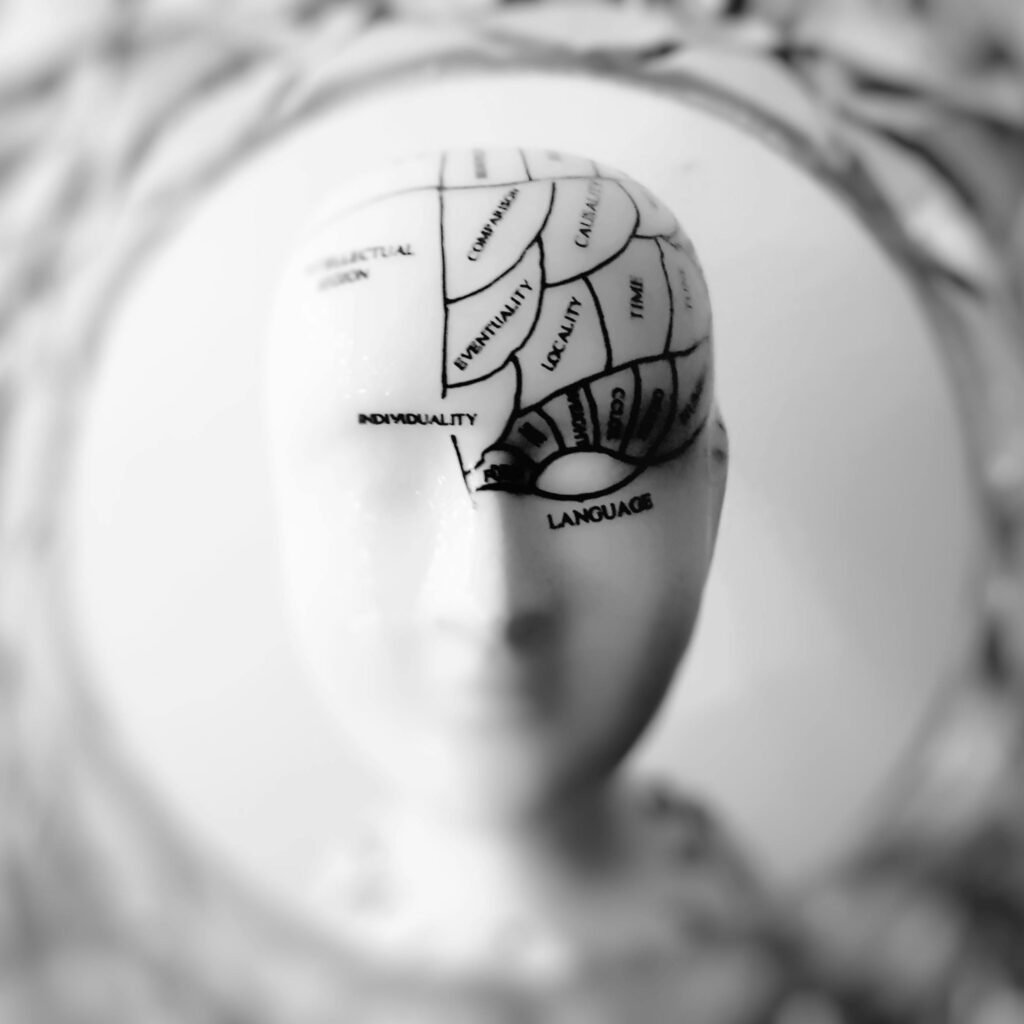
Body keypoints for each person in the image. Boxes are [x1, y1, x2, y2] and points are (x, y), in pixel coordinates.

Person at [264, 147, 759, 984]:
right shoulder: (317, 964)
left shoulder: (731, 913)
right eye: (381, 481)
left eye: (590, 466)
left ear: (709, 498)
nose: (489, 600)